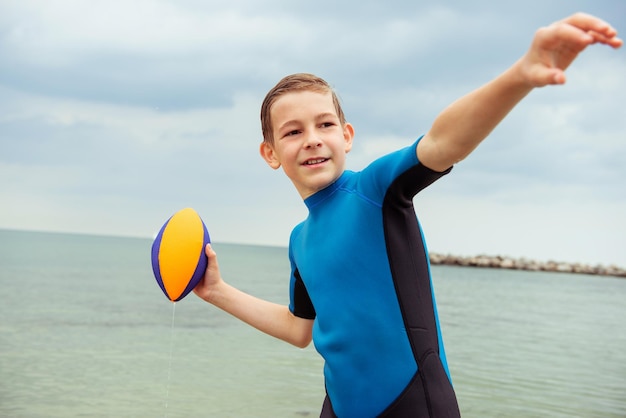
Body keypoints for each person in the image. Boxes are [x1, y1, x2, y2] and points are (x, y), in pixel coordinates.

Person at [193, 13, 622, 418]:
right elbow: (298, 329)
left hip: (415, 404)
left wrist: (521, 74)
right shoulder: (299, 239)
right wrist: (217, 292)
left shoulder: (374, 191)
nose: (312, 140)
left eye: (325, 125)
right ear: (270, 154)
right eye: (293, 131)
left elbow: (442, 142)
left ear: (347, 136)